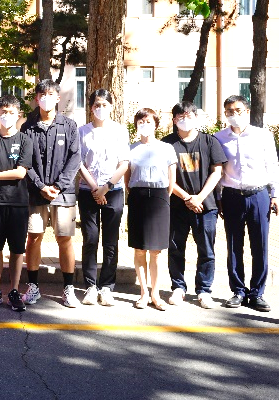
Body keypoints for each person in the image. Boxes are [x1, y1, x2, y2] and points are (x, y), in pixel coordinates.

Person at [215, 95, 279, 312]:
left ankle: (257, 293)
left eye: (238, 110)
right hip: (232, 196)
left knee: (259, 245)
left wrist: (276, 195)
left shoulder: (263, 136)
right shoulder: (218, 138)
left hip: (259, 195)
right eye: (229, 111)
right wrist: (218, 198)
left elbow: (272, 166)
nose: (234, 115)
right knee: (234, 245)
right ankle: (238, 291)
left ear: (247, 111)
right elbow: (216, 171)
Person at [21, 79, 81, 307]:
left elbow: (75, 158)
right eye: (42, 95)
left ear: (58, 98)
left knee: (64, 239)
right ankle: (33, 287)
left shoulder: (69, 126)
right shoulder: (28, 127)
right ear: (37, 98)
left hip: (63, 193)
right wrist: (40, 186)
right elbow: (25, 161)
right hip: (36, 193)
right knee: (34, 237)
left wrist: (59, 185)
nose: (46, 98)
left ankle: (68, 288)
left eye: (50, 94)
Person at [162, 101, 226, 310]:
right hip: (176, 206)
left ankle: (204, 290)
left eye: (189, 116)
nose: (185, 120)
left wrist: (199, 198)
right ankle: (178, 287)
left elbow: (217, 172)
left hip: (205, 206)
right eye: (180, 117)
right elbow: (164, 176)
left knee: (206, 249)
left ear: (196, 118)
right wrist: (187, 198)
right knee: (175, 248)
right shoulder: (167, 144)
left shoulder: (210, 141)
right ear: (174, 120)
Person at [76, 89, 130, 307]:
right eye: (97, 105)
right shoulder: (82, 132)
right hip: (88, 191)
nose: (100, 108)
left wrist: (106, 188)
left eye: (104, 105)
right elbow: (79, 163)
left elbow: (124, 163)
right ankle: (90, 286)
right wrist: (95, 188)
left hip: (113, 191)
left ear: (111, 107)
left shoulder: (120, 131)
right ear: (91, 107)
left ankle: (107, 286)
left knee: (110, 241)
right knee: (90, 239)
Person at [0, 94, 32, 313]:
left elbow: (20, 173)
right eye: (3, 112)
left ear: (18, 114)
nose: (7, 116)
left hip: (18, 203)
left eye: (11, 112)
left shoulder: (25, 140)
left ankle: (14, 290)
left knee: (17, 248)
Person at [126, 108, 177, 310]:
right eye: (141, 122)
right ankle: (143, 293)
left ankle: (156, 293)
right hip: (138, 198)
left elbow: (171, 179)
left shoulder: (166, 148)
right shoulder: (131, 149)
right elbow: (127, 178)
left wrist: (164, 196)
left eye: (148, 121)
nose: (144, 125)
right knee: (140, 249)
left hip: (159, 198)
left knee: (156, 251)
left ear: (156, 124)